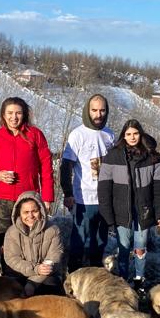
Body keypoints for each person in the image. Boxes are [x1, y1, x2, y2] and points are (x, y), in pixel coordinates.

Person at [0, 97, 54, 275]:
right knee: (4, 239)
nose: (14, 117)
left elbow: (46, 167)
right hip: (1, 199)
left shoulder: (35, 135)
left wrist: (47, 197)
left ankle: (26, 276)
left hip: (28, 199)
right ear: (3, 116)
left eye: (18, 113)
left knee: (27, 240)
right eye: (10, 113)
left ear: (25, 114)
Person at [98, 119, 160, 296]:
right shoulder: (113, 156)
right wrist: (107, 215)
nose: (132, 137)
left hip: (143, 211)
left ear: (141, 134)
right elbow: (104, 188)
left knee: (140, 247)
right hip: (122, 210)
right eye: (128, 134)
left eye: (135, 133)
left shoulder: (153, 156)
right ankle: (123, 280)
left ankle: (139, 280)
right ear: (123, 135)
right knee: (123, 247)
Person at [60, 93, 115, 270]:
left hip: (105, 198)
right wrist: (68, 193)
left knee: (99, 241)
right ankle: (74, 278)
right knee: (80, 242)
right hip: (83, 198)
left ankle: (95, 278)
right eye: (94, 110)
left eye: (102, 110)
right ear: (87, 111)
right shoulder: (78, 134)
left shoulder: (109, 135)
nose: (98, 114)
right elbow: (66, 166)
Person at [2, 191, 64, 296]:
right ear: (19, 213)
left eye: (34, 211)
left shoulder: (53, 230)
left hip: (44, 276)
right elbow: (12, 259)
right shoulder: (11, 232)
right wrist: (35, 269)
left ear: (41, 211)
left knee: (51, 286)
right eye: (26, 212)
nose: (30, 216)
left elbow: (55, 257)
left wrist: (32, 283)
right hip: (18, 274)